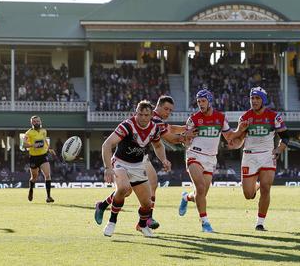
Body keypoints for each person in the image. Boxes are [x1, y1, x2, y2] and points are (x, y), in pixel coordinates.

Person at [95, 95, 194, 231]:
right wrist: (185, 137)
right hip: (126, 159)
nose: (168, 113)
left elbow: (169, 130)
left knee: (150, 184)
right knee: (126, 190)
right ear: (157, 107)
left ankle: (145, 220)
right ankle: (134, 218)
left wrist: (184, 130)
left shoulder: (157, 121)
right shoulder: (150, 119)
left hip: (140, 158)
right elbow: (170, 137)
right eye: (166, 109)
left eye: (170, 110)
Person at [178, 89, 247, 233]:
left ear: (210, 101)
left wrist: (240, 131)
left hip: (210, 159)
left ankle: (186, 197)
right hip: (194, 155)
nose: (200, 104)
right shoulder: (194, 119)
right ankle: (205, 223)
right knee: (201, 189)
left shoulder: (220, 118)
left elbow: (229, 136)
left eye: (203, 101)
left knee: (201, 193)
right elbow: (184, 142)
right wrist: (186, 136)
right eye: (198, 102)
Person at [229, 87, 288, 231]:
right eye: (252, 98)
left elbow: (286, 137)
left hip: (267, 155)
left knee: (266, 188)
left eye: (257, 98)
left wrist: (279, 150)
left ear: (264, 100)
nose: (254, 101)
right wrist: (240, 131)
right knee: (248, 195)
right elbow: (237, 139)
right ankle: (255, 186)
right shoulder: (244, 117)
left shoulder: (274, 116)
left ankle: (260, 223)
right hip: (249, 156)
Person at [22, 115, 55, 203]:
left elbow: (45, 141)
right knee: (34, 177)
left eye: (38, 121)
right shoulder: (28, 133)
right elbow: (24, 145)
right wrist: (33, 145)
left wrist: (50, 149)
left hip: (43, 156)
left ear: (40, 122)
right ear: (32, 123)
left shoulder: (44, 131)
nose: (36, 122)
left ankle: (48, 197)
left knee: (47, 175)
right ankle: (31, 190)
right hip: (33, 157)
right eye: (35, 121)